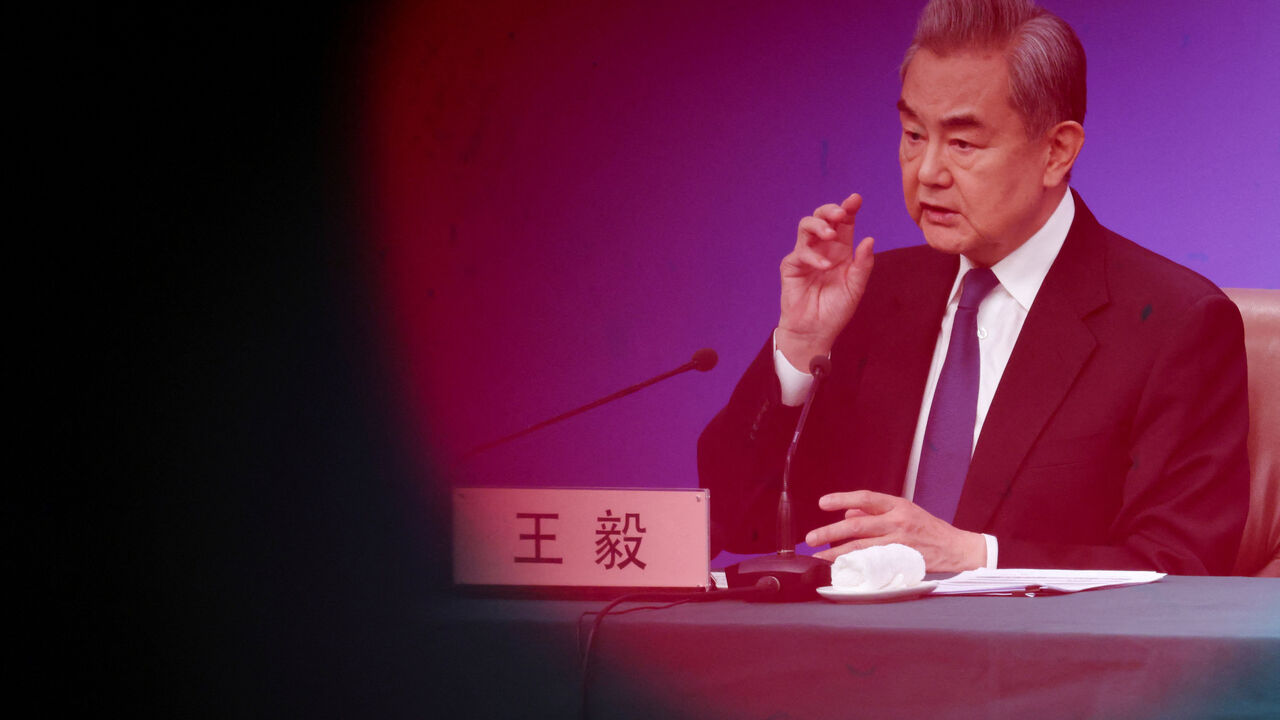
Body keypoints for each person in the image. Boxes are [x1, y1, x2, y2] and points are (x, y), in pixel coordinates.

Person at [697, 0, 1249, 575]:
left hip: (1039, 662)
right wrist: (799, 346)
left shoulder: (1172, 324)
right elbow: (739, 521)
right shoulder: (873, 296)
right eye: (913, 133)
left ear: (1056, 152)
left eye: (962, 144)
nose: (928, 171)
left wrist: (977, 556)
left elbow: (1182, 569)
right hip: (856, 657)